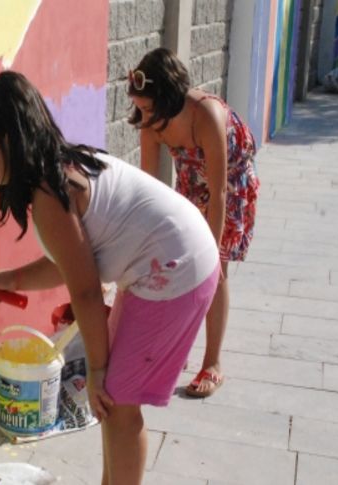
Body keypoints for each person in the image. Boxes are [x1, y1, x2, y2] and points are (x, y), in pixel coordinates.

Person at [0, 71, 220, 484]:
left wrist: (97, 370)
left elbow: (84, 289)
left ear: (10, 140)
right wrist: (11, 279)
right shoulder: (52, 171)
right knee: (113, 400)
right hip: (170, 261)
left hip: (176, 268)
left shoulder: (49, 190)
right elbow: (73, 263)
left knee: (115, 399)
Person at [127, 48, 259, 398]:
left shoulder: (206, 115)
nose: (143, 116)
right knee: (177, 265)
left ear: (169, 98)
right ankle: (173, 350)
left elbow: (218, 194)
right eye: (139, 107)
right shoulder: (150, 123)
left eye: (148, 108)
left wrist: (212, 254)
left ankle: (213, 363)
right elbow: (149, 190)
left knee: (216, 271)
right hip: (190, 184)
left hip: (229, 187)